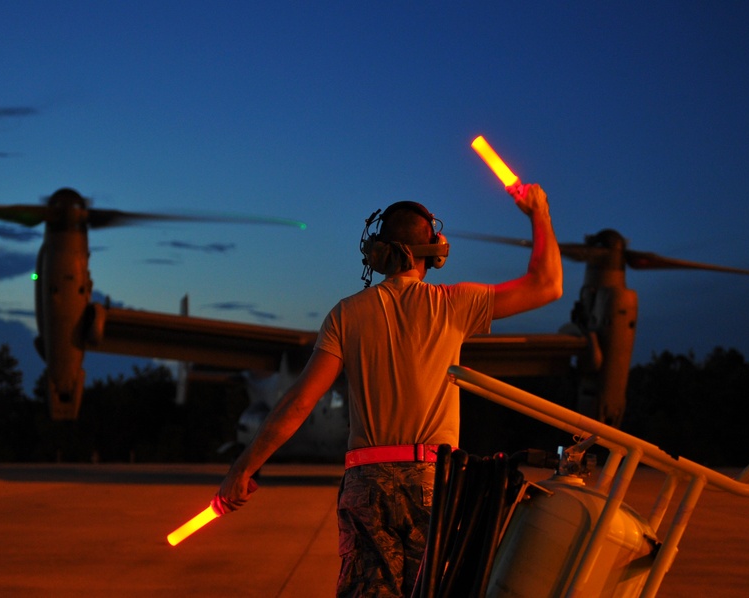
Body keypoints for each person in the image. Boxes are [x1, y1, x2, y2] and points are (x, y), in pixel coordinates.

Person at [217, 181, 562, 597]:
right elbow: (547, 284)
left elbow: (298, 402)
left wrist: (244, 467)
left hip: (366, 481)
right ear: (434, 252)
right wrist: (538, 211)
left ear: (379, 252)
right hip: (434, 482)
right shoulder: (453, 303)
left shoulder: (346, 315)